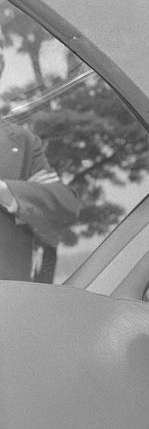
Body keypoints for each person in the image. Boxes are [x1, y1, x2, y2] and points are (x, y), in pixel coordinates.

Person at [0, 42, 80, 282]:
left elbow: (66, 204)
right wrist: (29, 193)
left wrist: (9, 192)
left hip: (10, 299)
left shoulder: (21, 140)